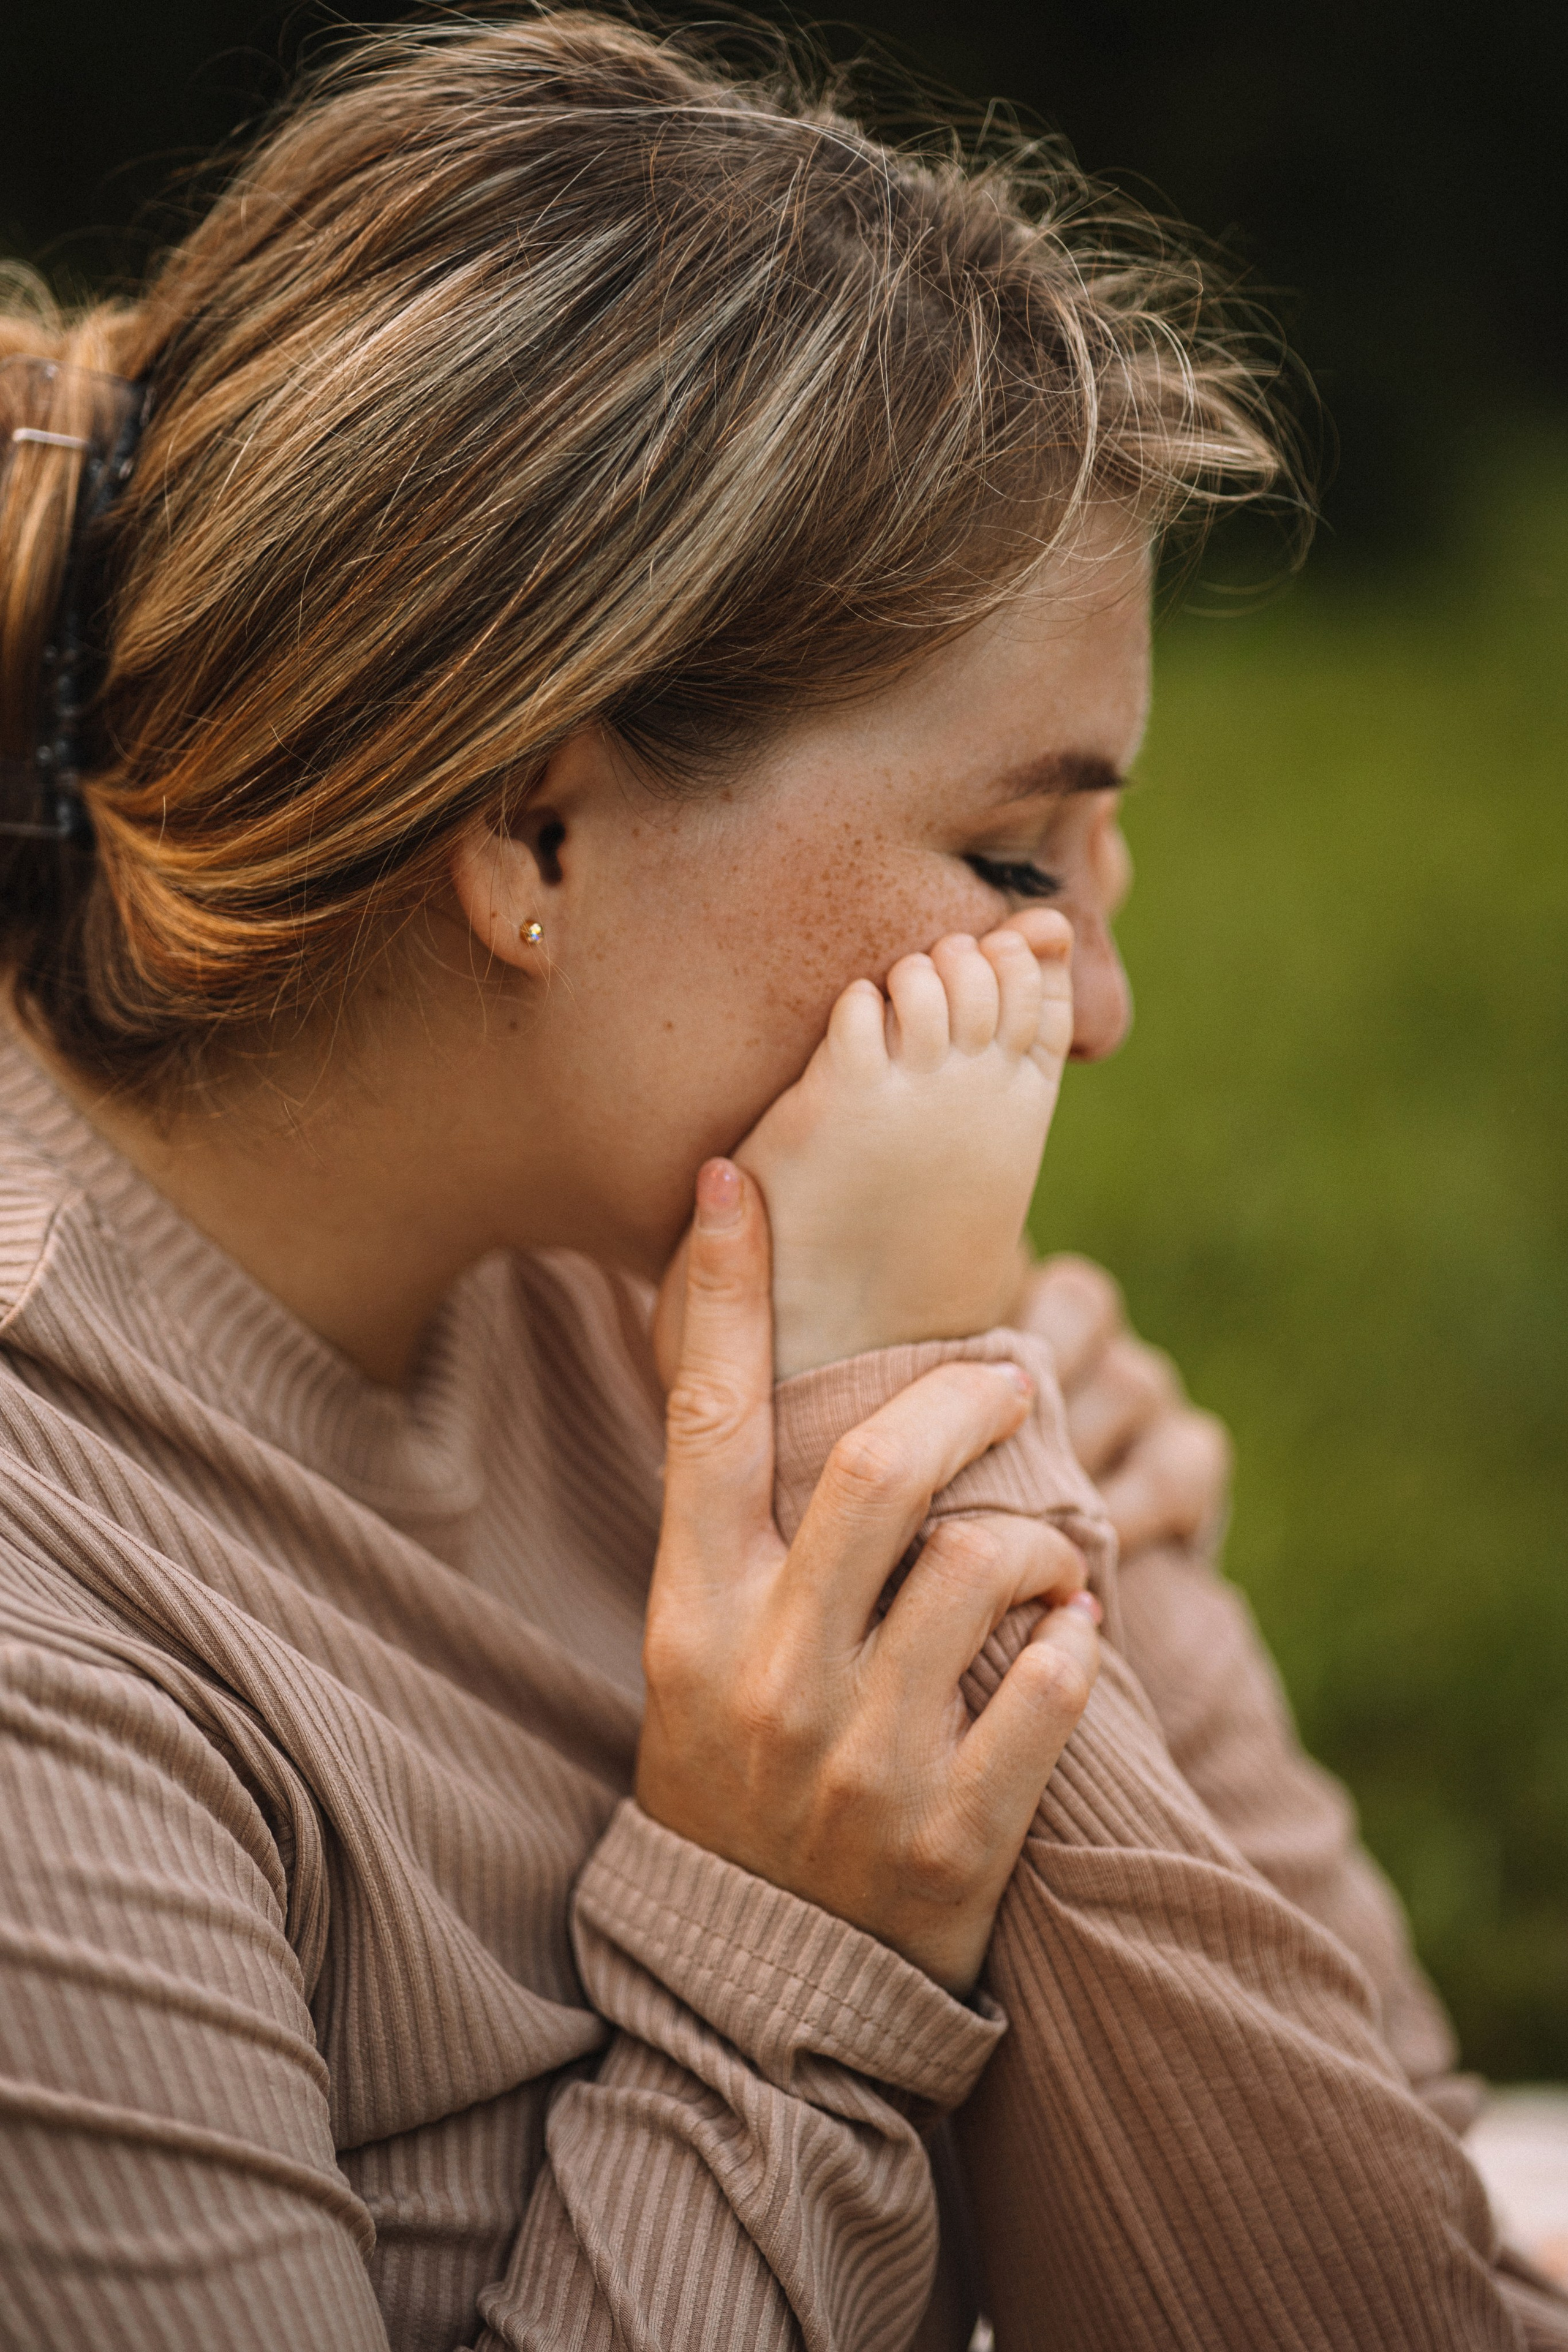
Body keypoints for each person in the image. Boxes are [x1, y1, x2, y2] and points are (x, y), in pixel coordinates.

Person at [0, 13, 1562, 2348]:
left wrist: (1016, 1553)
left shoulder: (731, 1264)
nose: (1096, 1008)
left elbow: (1407, 2233)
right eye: (1015, 854)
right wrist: (786, 1941)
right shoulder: (49, 1646)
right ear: (537, 829)